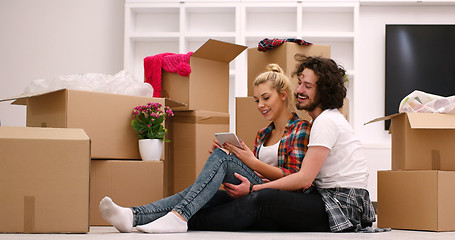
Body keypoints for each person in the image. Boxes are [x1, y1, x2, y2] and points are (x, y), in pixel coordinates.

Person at [98, 64, 311, 233]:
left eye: (266, 98)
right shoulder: (263, 134)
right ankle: (133, 216)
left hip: (279, 198)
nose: (260, 105)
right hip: (255, 190)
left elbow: (296, 180)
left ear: (283, 95)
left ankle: (179, 218)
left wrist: (247, 162)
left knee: (222, 159)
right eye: (256, 100)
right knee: (200, 188)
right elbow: (256, 172)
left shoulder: (300, 129)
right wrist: (236, 157)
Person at [187, 55, 377, 232]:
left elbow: (304, 179)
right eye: (300, 83)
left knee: (264, 199)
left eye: (308, 86)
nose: (300, 90)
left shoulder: (326, 121)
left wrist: (254, 188)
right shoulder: (319, 121)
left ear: (324, 91)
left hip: (341, 205)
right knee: (224, 197)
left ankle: (188, 221)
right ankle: (179, 215)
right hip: (324, 197)